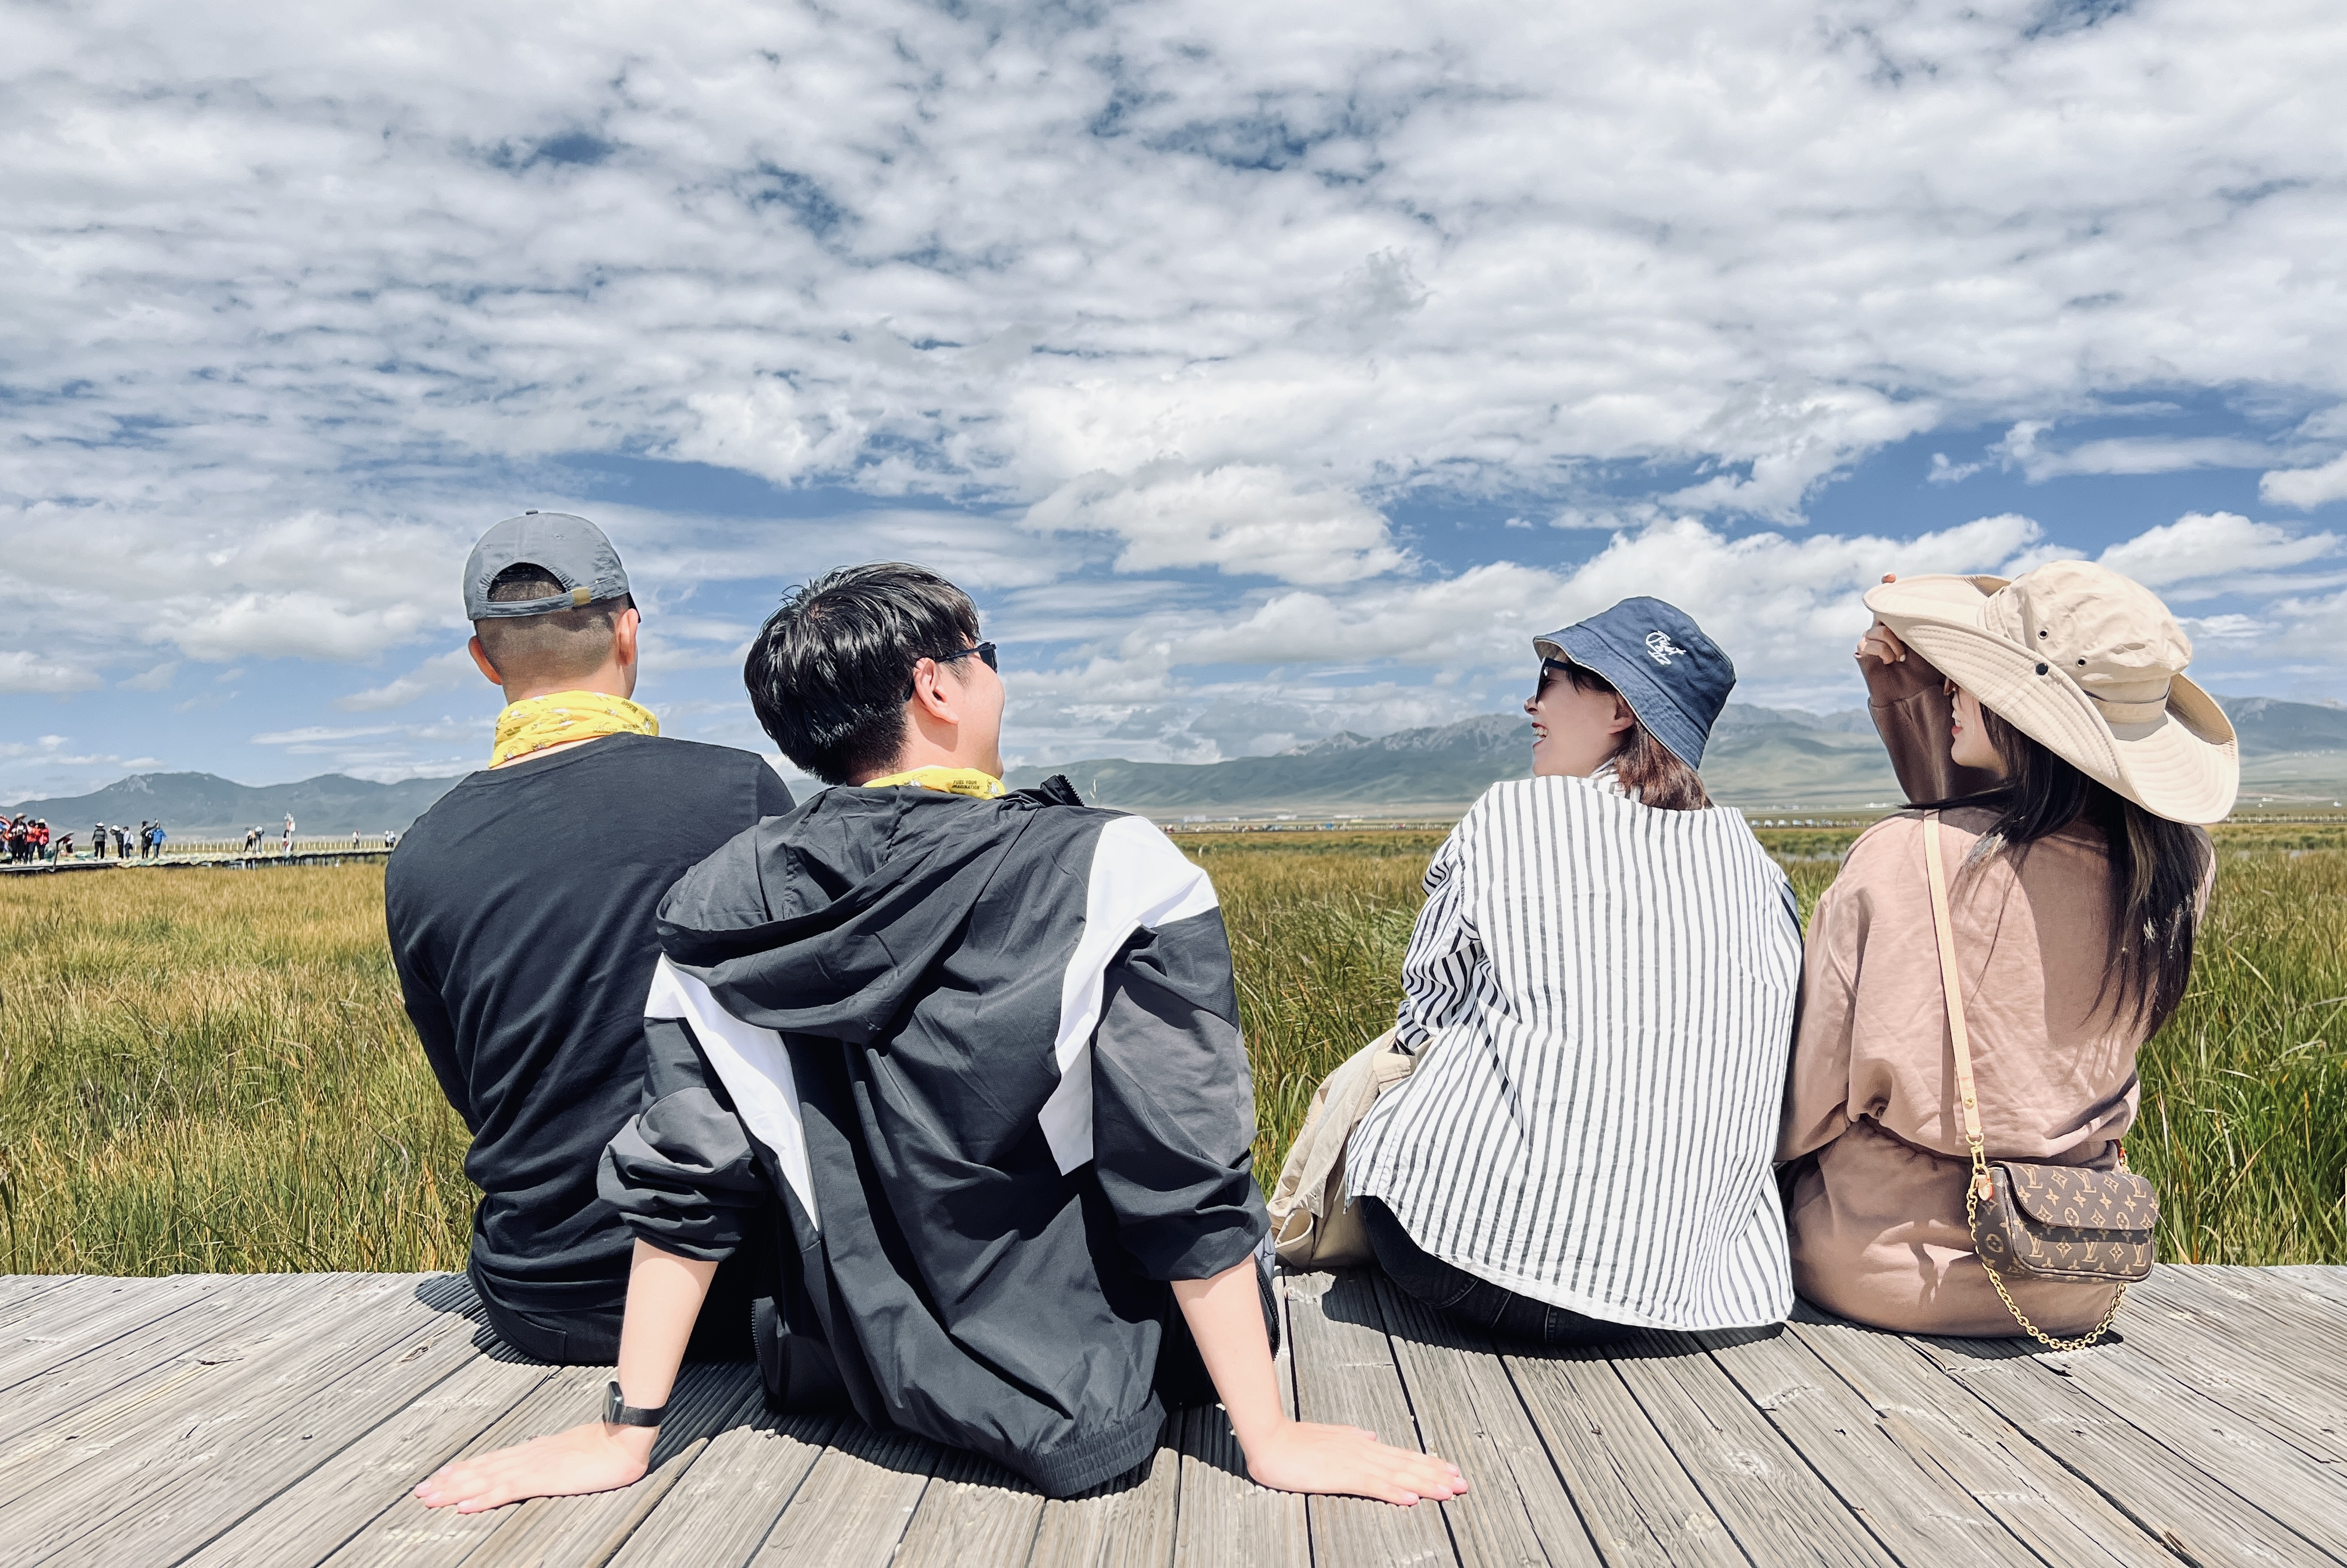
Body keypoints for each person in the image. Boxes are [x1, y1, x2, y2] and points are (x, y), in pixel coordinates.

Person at [415, 562, 1466, 1515]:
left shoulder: (712, 906)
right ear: (936, 686)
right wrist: (1269, 1434)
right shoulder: (1116, 866)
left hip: (851, 1376)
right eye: (985, 654)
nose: (996, 678)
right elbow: (1181, 1166)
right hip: (1093, 1384)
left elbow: (686, 1175)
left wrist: (625, 1430)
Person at [1778, 562, 2233, 1337]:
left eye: (1969, 676)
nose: (1951, 686)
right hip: (2078, 1271)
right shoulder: (2177, 868)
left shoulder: (1894, 856)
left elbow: (1808, 1101)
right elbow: (2002, 850)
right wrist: (1918, 710)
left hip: (1887, 1270)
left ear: (2023, 711)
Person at [387, 511, 795, 1369]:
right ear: (628, 631)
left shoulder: (421, 852)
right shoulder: (737, 791)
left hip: (536, 1299)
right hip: (739, 1291)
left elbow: (474, 1093)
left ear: (483, 658)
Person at [1343, 598, 1803, 1345]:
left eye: (1549, 678)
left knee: (1393, 1094)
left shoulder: (1508, 817)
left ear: (1619, 709)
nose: (1531, 703)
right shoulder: (1759, 870)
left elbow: (1426, 1014)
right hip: (1687, 1283)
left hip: (1463, 1258)